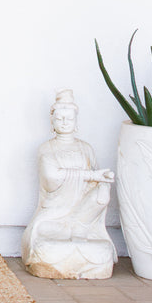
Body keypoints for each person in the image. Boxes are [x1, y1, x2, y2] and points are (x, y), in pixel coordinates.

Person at [21, 89, 117, 279]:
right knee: (45, 249)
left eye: (69, 119)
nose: (64, 123)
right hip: (53, 218)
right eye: (60, 119)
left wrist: (102, 181)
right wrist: (91, 175)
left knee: (102, 250)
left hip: (82, 219)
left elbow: (94, 189)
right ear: (52, 122)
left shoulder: (85, 148)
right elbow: (52, 177)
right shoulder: (47, 149)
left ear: (76, 122)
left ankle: (78, 235)